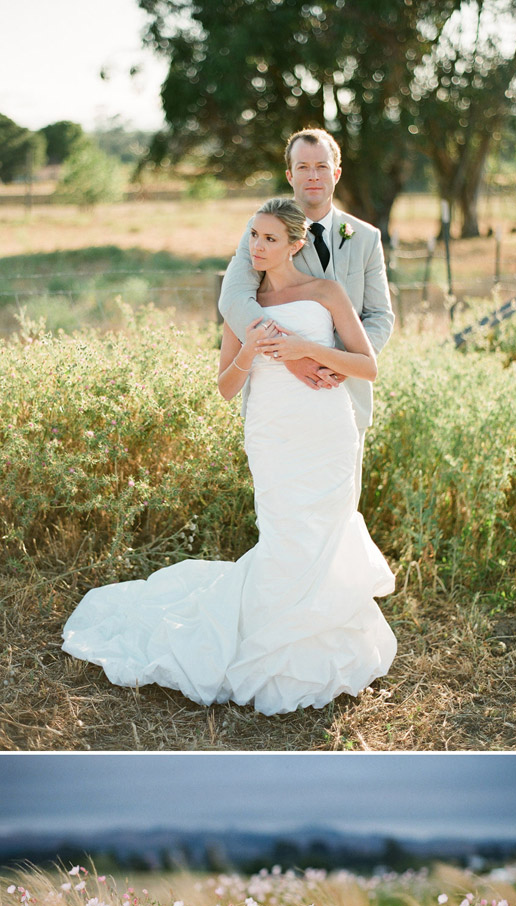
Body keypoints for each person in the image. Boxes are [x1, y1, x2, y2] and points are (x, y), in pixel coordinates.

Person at [63, 192, 396, 715]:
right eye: (253, 236)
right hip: (273, 434)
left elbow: (367, 365)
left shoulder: (326, 291)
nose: (257, 246)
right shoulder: (241, 304)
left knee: (327, 530)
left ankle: (322, 641)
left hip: (327, 432)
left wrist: (305, 349)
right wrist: (246, 351)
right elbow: (224, 387)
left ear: (294, 243)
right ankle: (272, 641)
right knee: (285, 532)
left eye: (269, 238)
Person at [220, 126, 394, 505]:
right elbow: (234, 296)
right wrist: (290, 355)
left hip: (344, 396)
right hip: (280, 402)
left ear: (336, 173)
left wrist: (337, 365)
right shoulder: (265, 229)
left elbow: (380, 315)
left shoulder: (363, 237)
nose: (312, 176)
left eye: (321, 166)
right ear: (290, 175)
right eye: (303, 167)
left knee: (338, 515)